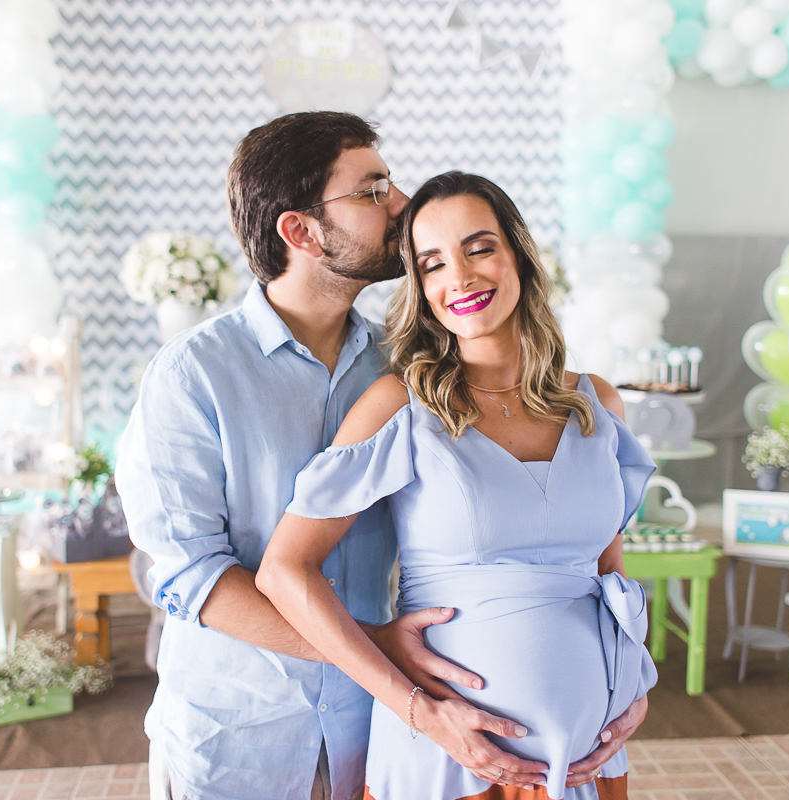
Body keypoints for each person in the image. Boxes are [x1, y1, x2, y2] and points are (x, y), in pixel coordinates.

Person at [117, 115, 553, 800]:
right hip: (238, 739)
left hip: (374, 737)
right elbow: (193, 578)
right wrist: (378, 650)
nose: (402, 204)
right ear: (301, 232)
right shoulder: (192, 374)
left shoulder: (410, 366)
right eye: (373, 189)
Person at [257, 171, 658, 800]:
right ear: (419, 287)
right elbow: (284, 569)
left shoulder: (596, 404)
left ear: (517, 256)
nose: (461, 279)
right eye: (433, 264)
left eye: (479, 248)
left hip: (585, 759)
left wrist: (632, 681)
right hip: (448, 761)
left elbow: (607, 573)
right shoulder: (402, 406)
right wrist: (420, 710)